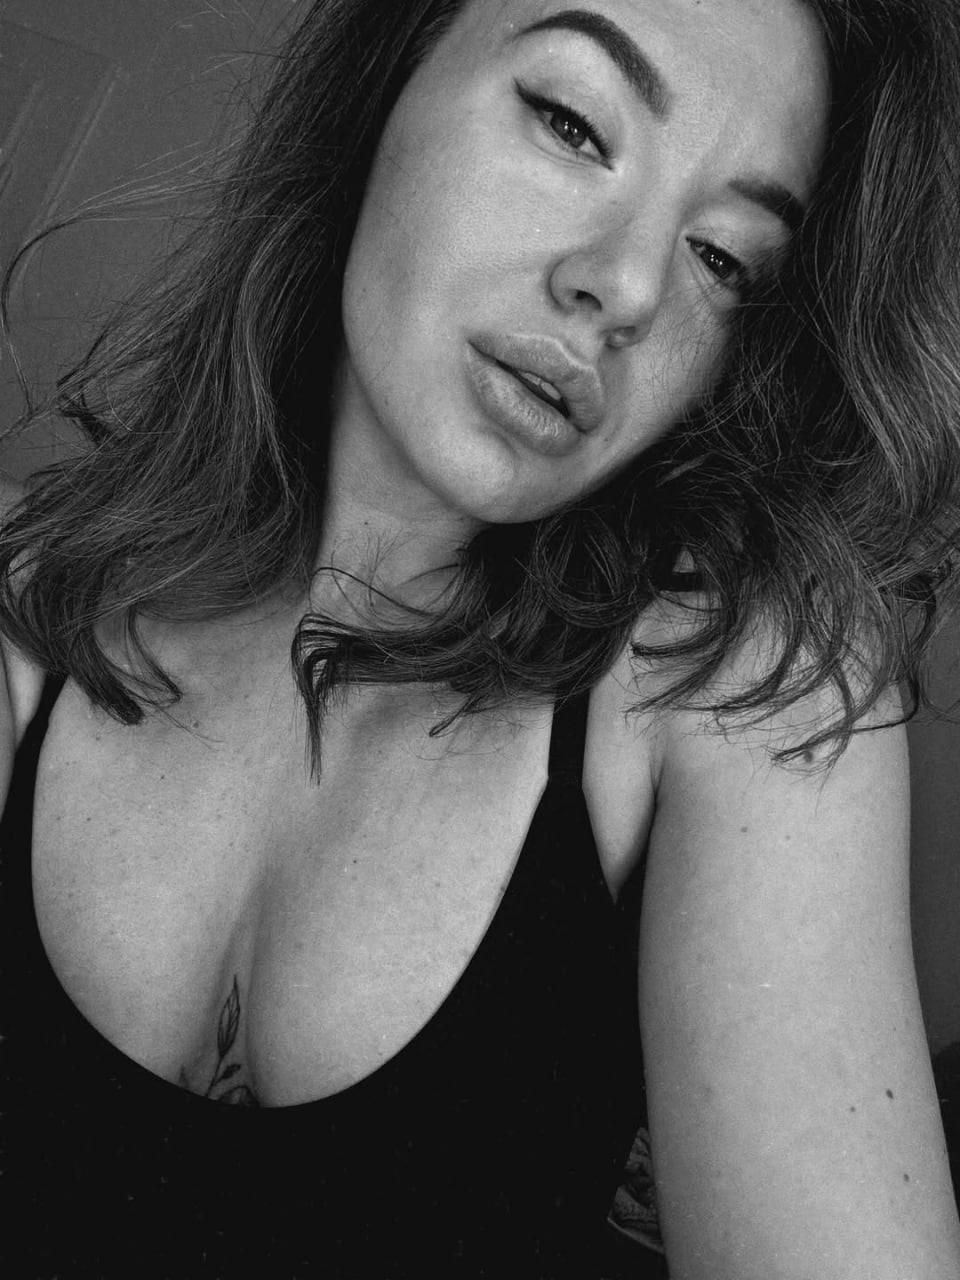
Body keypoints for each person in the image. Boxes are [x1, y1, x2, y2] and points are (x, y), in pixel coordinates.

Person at [2, 0, 960, 1275]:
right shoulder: (27, 595)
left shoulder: (737, 682)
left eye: (724, 258)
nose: (627, 287)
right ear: (386, 79)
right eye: (572, 122)